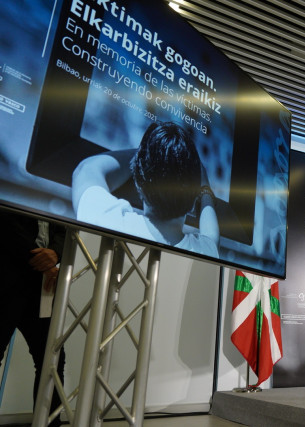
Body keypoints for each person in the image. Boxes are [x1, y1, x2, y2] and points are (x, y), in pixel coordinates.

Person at [72, 121, 219, 257]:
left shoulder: (108, 222)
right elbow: (212, 235)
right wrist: (205, 189)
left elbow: (86, 169)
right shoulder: (205, 253)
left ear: (139, 184)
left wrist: (147, 152)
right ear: (194, 199)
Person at [0, 210, 66, 426]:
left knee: (52, 360)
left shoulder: (57, 187)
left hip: (42, 286)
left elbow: (64, 227)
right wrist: (40, 259)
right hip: (7, 276)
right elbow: (6, 219)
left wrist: (55, 253)